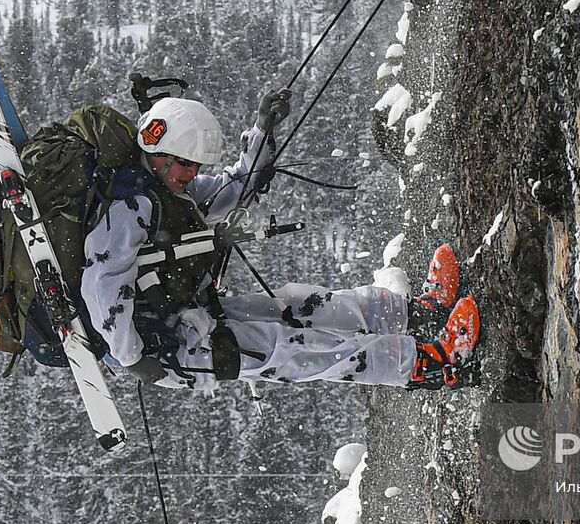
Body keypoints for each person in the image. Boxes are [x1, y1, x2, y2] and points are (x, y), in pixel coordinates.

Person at [80, 90, 480, 391]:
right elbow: (102, 283)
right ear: (159, 153)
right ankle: (435, 365)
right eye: (186, 163)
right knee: (291, 350)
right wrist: (131, 357)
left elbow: (231, 189)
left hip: (191, 309)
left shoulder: (165, 191)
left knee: (299, 307)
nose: (191, 172)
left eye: (195, 165)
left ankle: (415, 312)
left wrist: (261, 133)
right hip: (170, 347)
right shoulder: (128, 208)